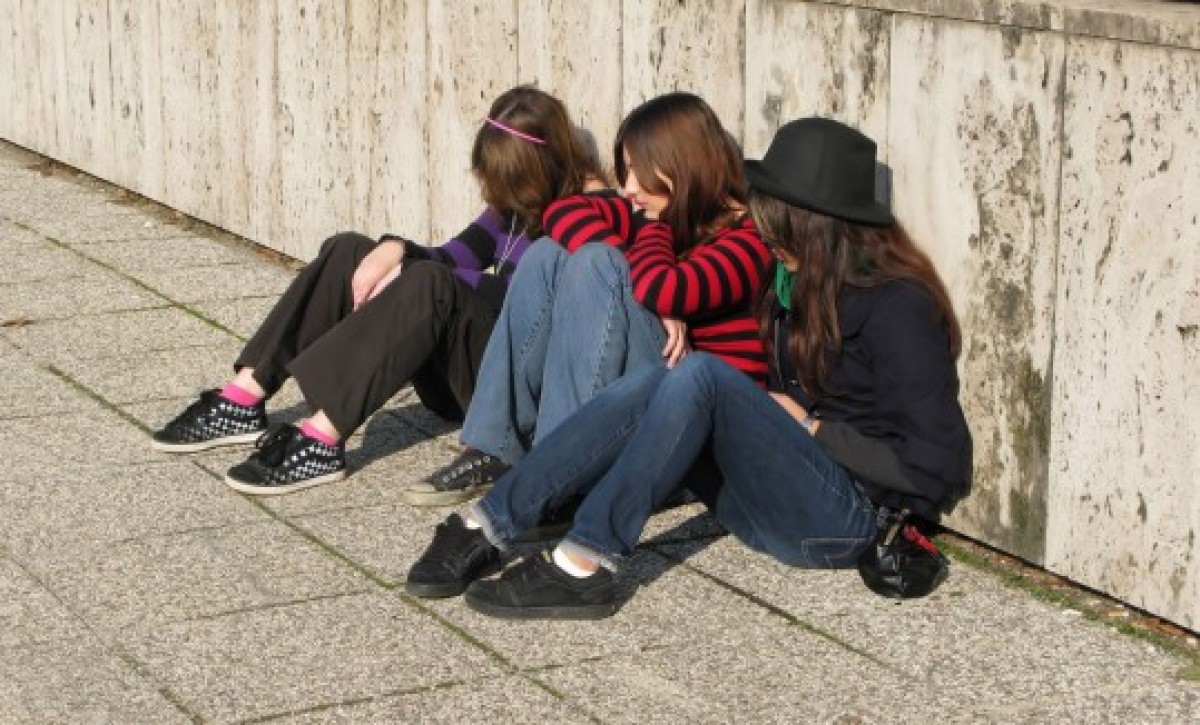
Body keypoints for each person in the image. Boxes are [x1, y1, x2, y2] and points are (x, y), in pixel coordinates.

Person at [403, 117, 973, 619]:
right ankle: (488, 523)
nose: (764, 230)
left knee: (700, 372)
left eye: (776, 219)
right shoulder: (800, 284)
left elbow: (938, 467)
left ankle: (586, 560)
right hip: (770, 501)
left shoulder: (898, 307)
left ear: (814, 225)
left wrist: (812, 428)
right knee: (664, 377)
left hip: (846, 520)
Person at [149, 86, 603, 495]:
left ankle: (322, 439)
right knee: (350, 249)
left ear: (542, 165)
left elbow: (525, 301)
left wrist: (412, 271)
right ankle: (244, 396)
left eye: (509, 183)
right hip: (459, 371)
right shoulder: (519, 199)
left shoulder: (591, 213)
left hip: (507, 391)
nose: (498, 196)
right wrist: (397, 249)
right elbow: (457, 255)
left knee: (429, 282)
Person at [401, 92, 772, 506]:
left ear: (682, 166)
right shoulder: (667, 214)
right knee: (549, 252)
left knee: (598, 261)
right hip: (662, 382)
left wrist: (650, 243)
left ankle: (561, 476)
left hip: (700, 430)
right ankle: (496, 448)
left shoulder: (749, 239)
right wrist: (641, 264)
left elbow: (664, 288)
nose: (628, 189)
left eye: (639, 171)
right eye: (626, 171)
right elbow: (560, 213)